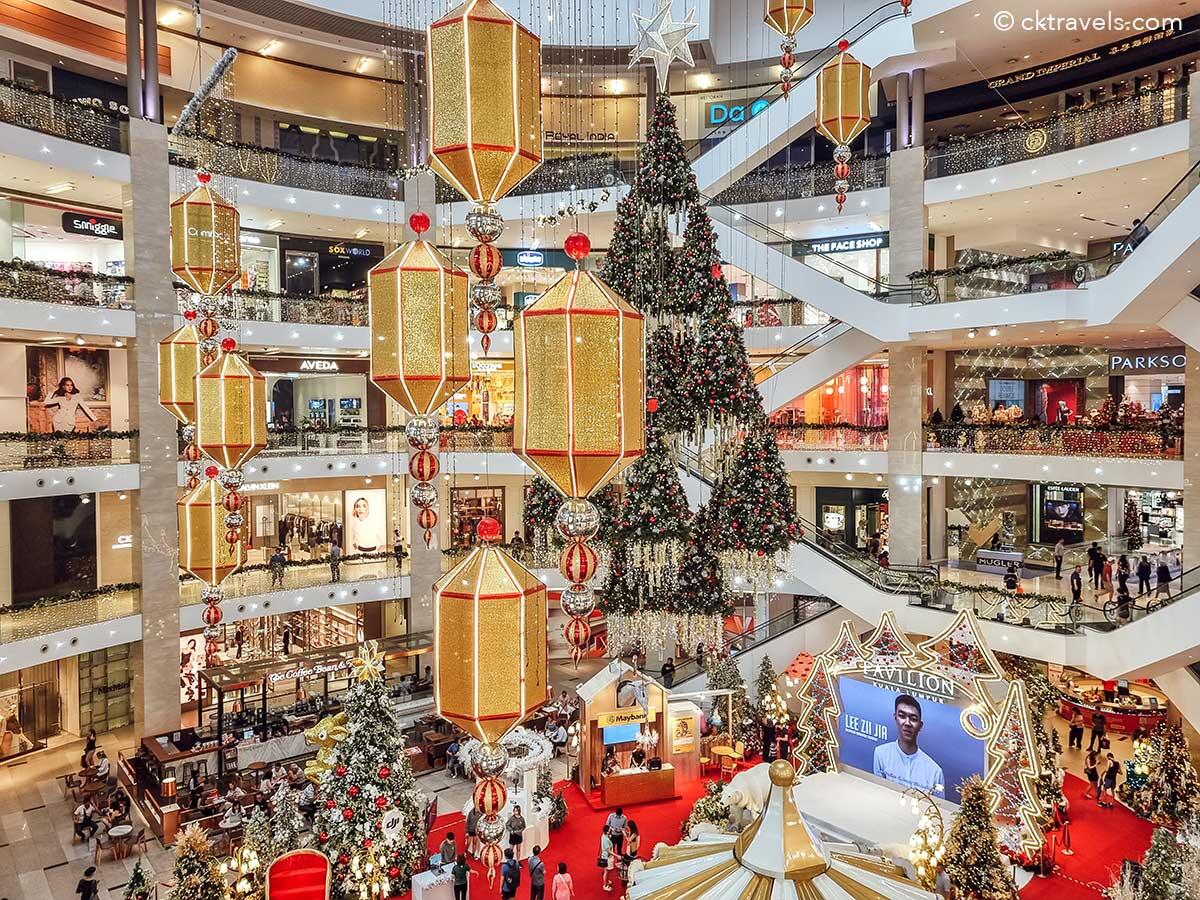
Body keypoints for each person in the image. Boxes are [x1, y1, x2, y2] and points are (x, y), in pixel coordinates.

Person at [872, 694, 945, 797]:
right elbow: (879, 793)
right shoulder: (881, 754)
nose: (907, 723)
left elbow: (938, 809)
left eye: (913, 719)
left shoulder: (935, 771)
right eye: (902, 716)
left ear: (920, 725)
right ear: (895, 718)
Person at [619, 821, 641, 887]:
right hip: (631, 851)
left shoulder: (634, 834)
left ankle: (627, 878)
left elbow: (628, 840)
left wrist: (625, 834)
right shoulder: (634, 833)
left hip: (631, 852)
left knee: (627, 864)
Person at [599, 826, 615, 892]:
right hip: (607, 857)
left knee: (607, 871)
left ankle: (607, 881)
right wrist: (617, 856)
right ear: (606, 832)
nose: (610, 831)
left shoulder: (604, 836)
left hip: (606, 856)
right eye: (609, 830)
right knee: (606, 871)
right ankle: (605, 885)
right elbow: (609, 851)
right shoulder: (605, 840)